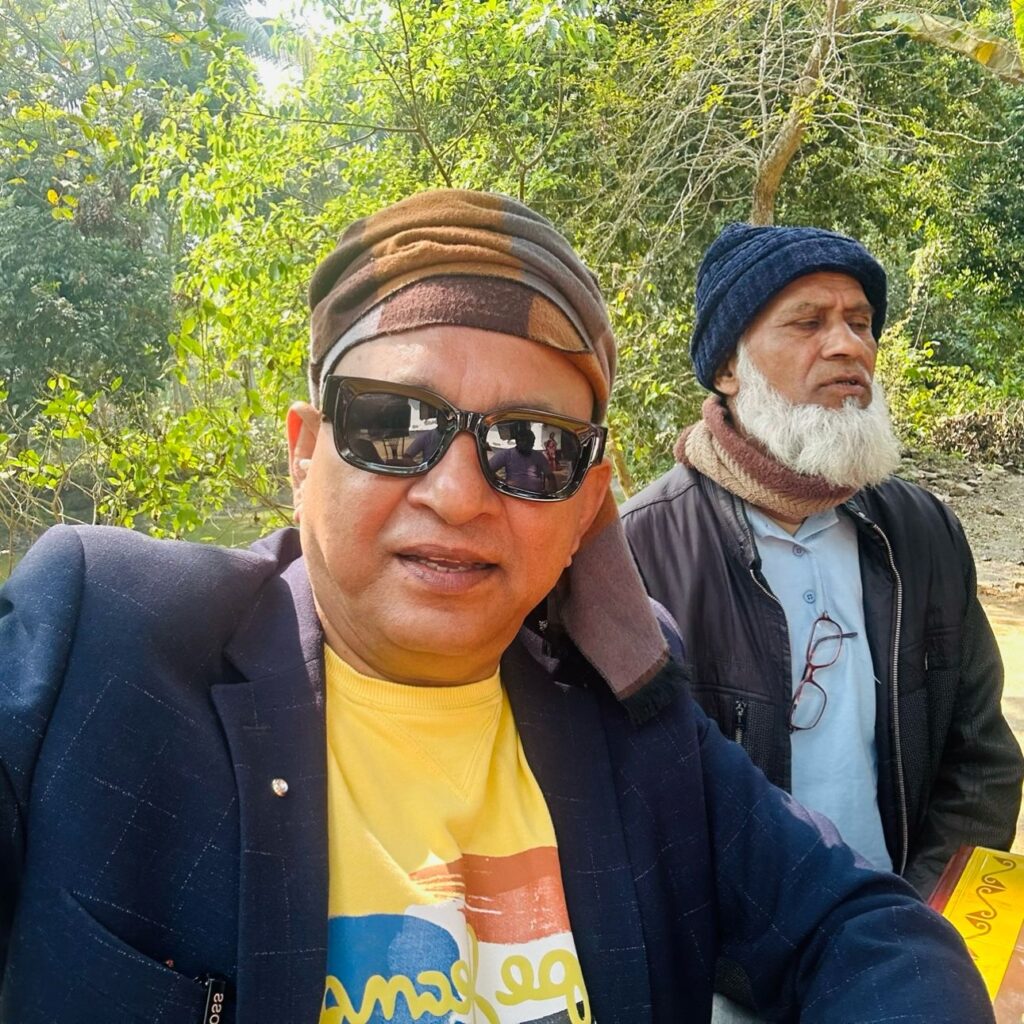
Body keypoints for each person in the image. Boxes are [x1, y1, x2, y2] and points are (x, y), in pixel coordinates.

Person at [0, 194, 995, 1024]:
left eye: (532, 446)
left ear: (586, 504)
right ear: (303, 452)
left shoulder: (632, 719)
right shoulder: (103, 647)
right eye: (395, 425)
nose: (459, 494)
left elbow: (866, 926)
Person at [621, 222, 1023, 904]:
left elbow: (979, 761)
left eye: (860, 323)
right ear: (728, 370)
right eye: (808, 323)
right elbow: (632, 804)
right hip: (731, 955)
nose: (848, 346)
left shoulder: (923, 533)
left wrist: (917, 922)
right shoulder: (641, 550)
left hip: (902, 927)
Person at [488, 424, 556, 493]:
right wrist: (501, 483)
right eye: (523, 441)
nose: (526, 444)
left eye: (529, 442)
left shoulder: (539, 456)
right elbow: (487, 469)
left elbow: (550, 476)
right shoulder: (507, 454)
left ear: (533, 443)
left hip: (535, 495)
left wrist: (551, 490)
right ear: (517, 442)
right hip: (512, 493)